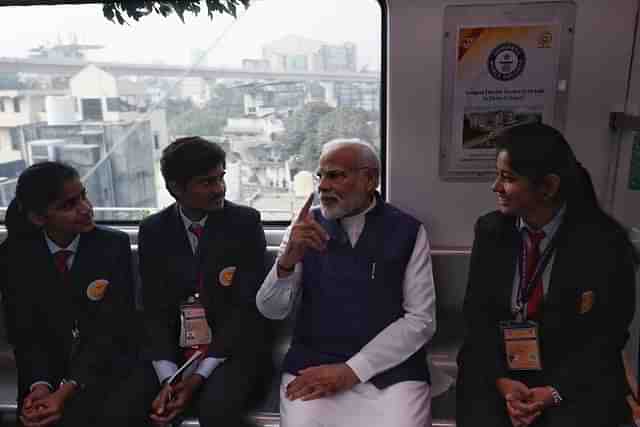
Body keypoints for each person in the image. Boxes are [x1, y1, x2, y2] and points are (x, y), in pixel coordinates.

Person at [456, 123, 637, 427]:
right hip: (501, 367)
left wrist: (552, 392)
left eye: (507, 178)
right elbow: (477, 318)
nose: (495, 187)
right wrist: (503, 384)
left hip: (570, 373)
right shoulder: (491, 231)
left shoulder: (604, 243)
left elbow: (606, 337)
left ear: (548, 187)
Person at [256, 139, 436, 427]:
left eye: (336, 175)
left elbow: (420, 321)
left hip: (390, 370)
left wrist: (352, 371)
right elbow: (271, 310)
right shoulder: (304, 227)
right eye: (321, 176)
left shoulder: (407, 231)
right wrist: (286, 262)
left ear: (369, 180)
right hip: (313, 364)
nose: (323, 186)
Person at [107, 137, 272, 427]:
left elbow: (244, 310)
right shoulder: (154, 230)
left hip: (230, 350)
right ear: (175, 188)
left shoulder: (244, 223)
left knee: (217, 411)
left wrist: (197, 377)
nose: (219, 188)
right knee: (126, 408)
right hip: (173, 349)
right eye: (206, 182)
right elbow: (154, 309)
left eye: (221, 178)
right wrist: (169, 377)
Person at [2, 161, 136, 427]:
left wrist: (68, 388)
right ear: (39, 217)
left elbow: (111, 329)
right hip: (45, 368)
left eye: (83, 196)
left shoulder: (112, 246)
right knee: (35, 416)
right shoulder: (14, 257)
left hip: (104, 364)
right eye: (68, 205)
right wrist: (39, 386)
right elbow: (26, 334)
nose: (85, 208)